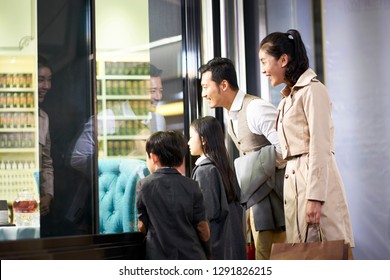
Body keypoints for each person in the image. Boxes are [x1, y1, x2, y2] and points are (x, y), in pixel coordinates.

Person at [258, 29, 354, 250]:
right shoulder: (287, 99)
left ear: (283, 59)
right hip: (295, 187)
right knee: (302, 255)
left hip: (312, 185)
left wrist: (315, 198)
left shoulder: (313, 91)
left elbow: (321, 147)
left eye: (265, 62)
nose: (263, 70)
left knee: (325, 254)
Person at [199, 57, 286, 260]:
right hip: (258, 203)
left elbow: (286, 150)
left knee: (278, 257)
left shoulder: (255, 108)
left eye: (205, 87)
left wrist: (254, 169)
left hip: (277, 202)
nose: (203, 94)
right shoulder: (231, 116)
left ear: (223, 85)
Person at [136, 130, 211, 260]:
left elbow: (142, 226)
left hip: (159, 257)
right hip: (192, 256)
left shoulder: (145, 185)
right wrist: (209, 254)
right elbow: (203, 229)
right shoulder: (192, 185)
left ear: (153, 157)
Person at [188, 116, 246, 259]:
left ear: (203, 139)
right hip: (232, 244)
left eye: (191, 137)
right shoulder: (222, 166)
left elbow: (206, 215)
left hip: (216, 247)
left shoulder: (205, 171)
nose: (188, 142)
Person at [37, 56, 54, 219]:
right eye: (41, 80)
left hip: (34, 200)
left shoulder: (43, 118)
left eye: (49, 80)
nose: (46, 86)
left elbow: (46, 161)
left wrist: (48, 195)